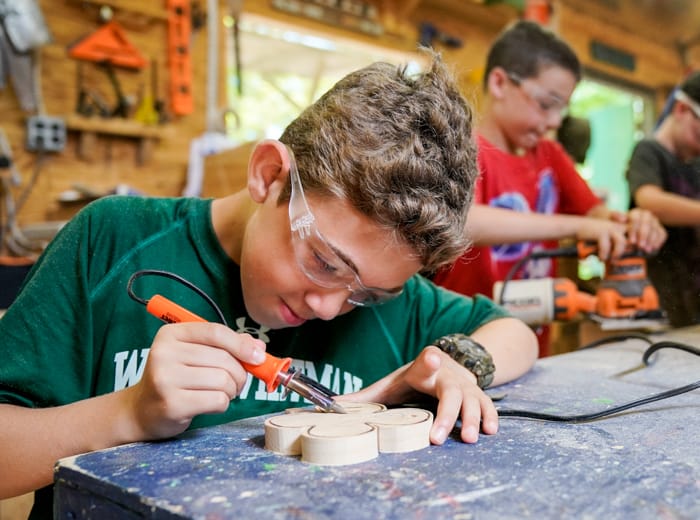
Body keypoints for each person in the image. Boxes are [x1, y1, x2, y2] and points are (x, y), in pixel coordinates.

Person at [0, 52, 539, 516]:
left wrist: (455, 362)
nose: (330, 308)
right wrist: (127, 414)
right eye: (325, 263)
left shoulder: (387, 296)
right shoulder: (113, 241)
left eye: (367, 294)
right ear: (267, 174)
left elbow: (516, 334)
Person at [432, 20, 666, 355]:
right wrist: (580, 226)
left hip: (528, 349)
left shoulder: (549, 155)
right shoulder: (462, 150)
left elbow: (597, 215)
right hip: (456, 343)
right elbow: (463, 221)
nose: (556, 121)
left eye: (562, 108)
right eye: (546, 103)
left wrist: (631, 224)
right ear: (499, 82)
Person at [626, 71, 700, 327]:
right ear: (682, 109)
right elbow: (650, 200)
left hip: (691, 292)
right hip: (655, 289)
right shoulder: (649, 152)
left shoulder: (694, 165)